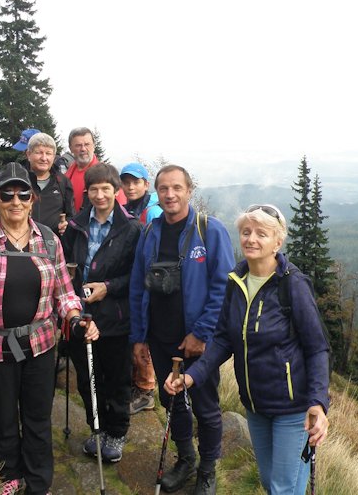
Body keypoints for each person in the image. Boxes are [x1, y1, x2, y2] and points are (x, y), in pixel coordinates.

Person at [0, 162, 99, 495]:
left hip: (41, 343)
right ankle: (9, 475)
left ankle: (38, 480)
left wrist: (75, 317)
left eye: (23, 194)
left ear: (32, 200)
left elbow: (64, 291)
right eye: (7, 194)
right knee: (2, 416)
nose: (16, 201)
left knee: (38, 417)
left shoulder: (48, 239)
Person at [165, 204, 331, 495]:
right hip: (255, 406)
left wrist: (318, 402)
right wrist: (190, 377)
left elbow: (317, 348)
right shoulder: (236, 281)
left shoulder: (293, 285)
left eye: (261, 234)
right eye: (246, 232)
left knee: (283, 489)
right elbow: (222, 341)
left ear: (277, 242)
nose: (251, 239)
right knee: (270, 483)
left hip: (293, 409)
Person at [129, 165, 234, 495]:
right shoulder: (150, 233)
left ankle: (207, 469)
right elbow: (137, 286)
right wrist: (139, 336)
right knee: (171, 401)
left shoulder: (210, 231)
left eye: (177, 187)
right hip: (160, 338)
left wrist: (202, 333)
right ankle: (186, 458)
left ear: (190, 191)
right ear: (156, 193)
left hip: (198, 342)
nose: (170, 194)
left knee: (205, 406)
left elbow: (223, 288)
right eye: (164, 188)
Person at [61, 163, 142, 463]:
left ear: (116, 191)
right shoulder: (76, 226)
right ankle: (97, 429)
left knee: (117, 379)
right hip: (80, 316)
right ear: (87, 192)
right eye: (93, 189)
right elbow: (65, 264)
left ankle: (116, 433)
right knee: (86, 379)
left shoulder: (131, 228)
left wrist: (108, 287)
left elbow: (137, 275)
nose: (99, 195)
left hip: (115, 318)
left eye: (105, 189)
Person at [120, 162, 163, 414]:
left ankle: (146, 391)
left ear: (146, 184)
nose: (130, 186)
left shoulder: (153, 212)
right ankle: (139, 385)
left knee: (144, 334)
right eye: (126, 182)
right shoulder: (128, 209)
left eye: (136, 182)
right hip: (133, 279)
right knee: (135, 332)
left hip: (149, 281)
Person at [24, 132, 74, 237]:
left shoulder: (63, 182)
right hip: (22, 245)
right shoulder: (19, 180)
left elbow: (71, 215)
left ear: (54, 157)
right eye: (39, 152)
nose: (44, 158)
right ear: (28, 154)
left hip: (52, 246)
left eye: (48, 153)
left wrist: (66, 224)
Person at [64, 127, 126, 212]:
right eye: (78, 145)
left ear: (94, 146)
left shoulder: (107, 174)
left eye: (87, 144)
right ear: (70, 148)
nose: (83, 149)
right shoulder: (66, 175)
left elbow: (121, 208)